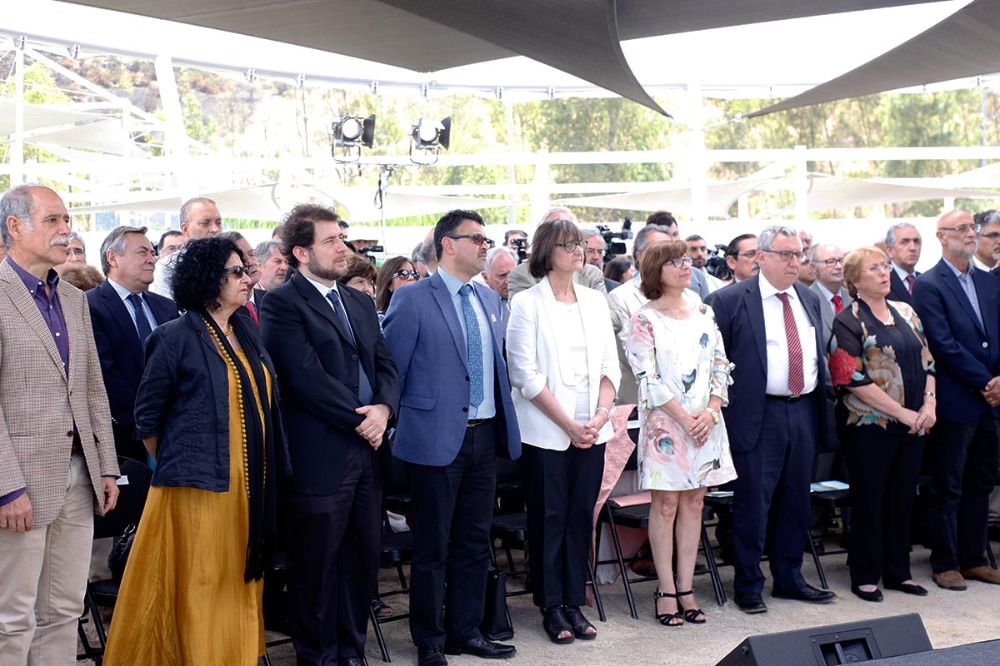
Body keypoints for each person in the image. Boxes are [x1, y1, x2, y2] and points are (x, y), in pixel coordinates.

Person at [104, 236, 288, 665]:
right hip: (196, 488)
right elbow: (148, 419)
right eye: (236, 271)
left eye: (247, 269)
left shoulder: (245, 330)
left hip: (249, 486)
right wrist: (184, 459)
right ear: (209, 279)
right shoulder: (174, 337)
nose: (248, 277)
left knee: (237, 583)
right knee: (203, 585)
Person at [259, 205, 399, 666]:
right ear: (301, 252)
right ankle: (317, 657)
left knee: (361, 561)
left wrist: (384, 409)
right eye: (330, 241)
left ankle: (351, 651)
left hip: (369, 452)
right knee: (315, 568)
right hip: (320, 456)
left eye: (342, 238)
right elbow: (304, 378)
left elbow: (384, 363)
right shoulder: (282, 302)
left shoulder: (358, 299)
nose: (343, 248)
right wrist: (364, 420)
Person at [383, 210, 521, 666]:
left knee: (473, 542)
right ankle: (430, 640)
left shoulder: (487, 298)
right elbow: (394, 370)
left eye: (486, 239)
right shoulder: (414, 299)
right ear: (447, 244)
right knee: (432, 548)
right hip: (435, 440)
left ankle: (465, 631)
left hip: (484, 437)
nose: (485, 245)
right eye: (477, 238)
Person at [0, 184, 120, 664]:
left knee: (65, 611)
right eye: (52, 220)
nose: (66, 230)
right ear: (15, 227)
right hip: (20, 485)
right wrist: (7, 487)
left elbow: (92, 390)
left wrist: (106, 467)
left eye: (66, 219)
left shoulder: (72, 299)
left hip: (78, 477)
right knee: (12, 618)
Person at [705, 225, 835, 613]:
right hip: (757, 414)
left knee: (797, 500)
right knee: (753, 504)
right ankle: (748, 583)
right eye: (786, 255)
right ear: (761, 257)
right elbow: (716, 363)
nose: (796, 262)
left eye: (799, 254)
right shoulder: (729, 301)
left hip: (803, 408)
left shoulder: (808, 298)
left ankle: (789, 577)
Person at [506, 218, 619, 644]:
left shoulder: (593, 300)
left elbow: (611, 364)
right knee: (549, 518)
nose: (580, 251)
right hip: (546, 432)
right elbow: (524, 373)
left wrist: (600, 415)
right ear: (547, 251)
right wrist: (568, 423)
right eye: (569, 245)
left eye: (582, 245)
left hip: (593, 427)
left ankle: (575, 599)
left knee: (579, 517)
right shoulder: (527, 303)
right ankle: (551, 605)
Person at [627, 239, 737, 626]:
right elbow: (647, 377)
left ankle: (687, 587)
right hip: (666, 426)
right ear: (656, 270)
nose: (684, 265)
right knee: (667, 505)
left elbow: (721, 364)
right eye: (674, 261)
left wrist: (710, 410)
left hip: (707, 424)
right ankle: (666, 589)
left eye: (685, 259)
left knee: (694, 504)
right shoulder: (644, 318)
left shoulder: (703, 310)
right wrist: (684, 417)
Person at [829, 246, 936, 602]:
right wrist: (902, 412)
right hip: (868, 426)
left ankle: (898, 572)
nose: (883, 273)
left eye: (885, 266)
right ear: (855, 281)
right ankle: (865, 574)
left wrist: (928, 404)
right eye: (874, 268)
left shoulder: (905, 311)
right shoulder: (848, 320)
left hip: (915, 424)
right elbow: (850, 377)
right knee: (871, 499)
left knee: (902, 498)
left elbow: (928, 361)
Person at [912, 209, 1000, 590]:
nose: (970, 233)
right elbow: (943, 344)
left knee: (981, 481)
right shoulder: (929, 284)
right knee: (948, 483)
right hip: (956, 398)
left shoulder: (989, 282)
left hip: (991, 400)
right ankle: (945, 561)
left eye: (972, 228)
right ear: (942, 236)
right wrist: (986, 381)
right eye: (962, 228)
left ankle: (973, 558)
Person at [87, 225, 180, 463]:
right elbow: (104, 374)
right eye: (143, 252)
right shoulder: (90, 306)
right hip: (126, 442)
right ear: (113, 257)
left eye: (153, 252)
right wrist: (149, 424)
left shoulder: (166, 307)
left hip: (177, 433)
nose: (152, 259)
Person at [608, 224, 700, 406]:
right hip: (645, 402)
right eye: (662, 252)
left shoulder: (694, 299)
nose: (672, 257)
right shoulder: (621, 297)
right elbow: (636, 358)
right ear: (641, 256)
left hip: (694, 401)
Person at [508, 207, 606, 299]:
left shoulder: (592, 275)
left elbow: (607, 314)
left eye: (578, 243)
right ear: (543, 242)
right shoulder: (522, 275)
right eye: (568, 243)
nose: (578, 251)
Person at [150, 196, 223, 298]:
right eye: (206, 223)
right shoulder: (165, 268)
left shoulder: (230, 261)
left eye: (218, 223)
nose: (215, 229)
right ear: (185, 229)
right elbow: (166, 310)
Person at [644, 211, 709, 298]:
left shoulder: (697, 276)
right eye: (666, 235)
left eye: (675, 234)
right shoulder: (641, 279)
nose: (673, 240)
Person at [809, 244, 852, 348]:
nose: (838, 267)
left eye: (841, 261)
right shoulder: (806, 300)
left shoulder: (853, 298)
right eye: (830, 262)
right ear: (814, 268)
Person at [483, 246, 517, 336]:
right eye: (502, 275)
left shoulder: (528, 300)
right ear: (485, 277)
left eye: (513, 274)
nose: (509, 281)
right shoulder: (480, 305)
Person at [885, 222, 922, 304]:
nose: (913, 248)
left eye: (916, 242)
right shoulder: (882, 281)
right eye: (905, 242)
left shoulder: (926, 281)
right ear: (890, 250)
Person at [582, 228, 619, 292]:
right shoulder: (567, 289)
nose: (596, 257)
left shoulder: (615, 288)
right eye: (590, 251)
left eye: (600, 252)